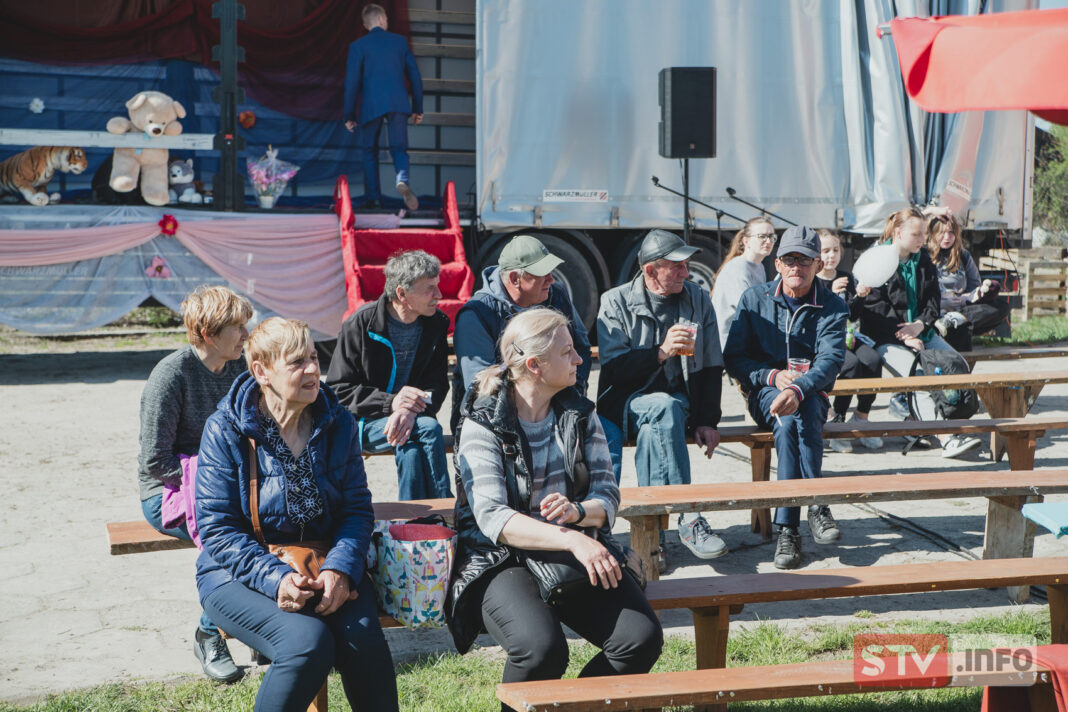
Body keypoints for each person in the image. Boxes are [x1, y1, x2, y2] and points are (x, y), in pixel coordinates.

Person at [447, 308, 663, 704]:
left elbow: (607, 495)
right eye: (568, 352)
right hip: (499, 558)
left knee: (640, 639)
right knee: (541, 649)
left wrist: (578, 514)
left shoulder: (580, 414)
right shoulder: (482, 421)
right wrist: (573, 539)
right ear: (534, 366)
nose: (581, 359)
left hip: (570, 548)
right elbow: (494, 518)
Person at [196, 318, 397, 712]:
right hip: (236, 573)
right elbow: (218, 531)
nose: (312, 369)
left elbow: (356, 510)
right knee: (307, 643)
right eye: (296, 362)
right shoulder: (225, 429)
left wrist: (340, 570)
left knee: (364, 642)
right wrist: (277, 579)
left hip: (323, 564)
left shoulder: (337, 422)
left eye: (312, 357)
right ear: (261, 371)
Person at [137, 284, 252, 683]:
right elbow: (155, 461)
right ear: (207, 333)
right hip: (168, 494)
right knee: (236, 536)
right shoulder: (171, 375)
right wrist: (209, 479)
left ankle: (262, 628)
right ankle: (209, 632)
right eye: (238, 328)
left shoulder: (239, 369)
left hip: (226, 487)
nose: (246, 335)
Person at [597, 229, 725, 567]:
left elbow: (712, 361)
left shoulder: (697, 298)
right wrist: (661, 352)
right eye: (677, 266)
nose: (686, 272)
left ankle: (654, 539)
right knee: (661, 409)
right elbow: (613, 370)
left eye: (686, 265)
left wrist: (708, 420)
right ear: (651, 270)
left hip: (678, 403)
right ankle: (687, 516)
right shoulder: (615, 301)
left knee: (662, 418)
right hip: (626, 400)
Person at [723, 225, 848, 570]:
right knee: (787, 416)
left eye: (804, 260)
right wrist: (773, 377)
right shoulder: (755, 299)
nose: (796, 267)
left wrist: (798, 386)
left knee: (795, 415)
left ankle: (788, 530)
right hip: (764, 391)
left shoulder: (833, 305)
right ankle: (816, 504)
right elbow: (734, 358)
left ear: (818, 264)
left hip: (810, 394)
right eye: (789, 259)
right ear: (776, 264)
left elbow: (831, 361)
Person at [451, 234, 623, 481]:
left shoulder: (556, 294)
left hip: (555, 408)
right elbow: (480, 384)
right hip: (499, 421)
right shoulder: (476, 314)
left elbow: (581, 348)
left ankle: (596, 512)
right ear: (514, 279)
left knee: (609, 434)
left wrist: (572, 394)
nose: (551, 279)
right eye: (542, 273)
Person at [855, 207, 982, 458]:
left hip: (921, 331)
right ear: (898, 233)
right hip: (887, 338)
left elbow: (933, 300)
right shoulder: (878, 258)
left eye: (924, 233)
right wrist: (904, 334)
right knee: (920, 377)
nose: (923, 239)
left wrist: (921, 325)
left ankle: (915, 424)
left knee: (958, 365)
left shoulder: (923, 259)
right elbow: (874, 309)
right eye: (917, 234)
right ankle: (946, 437)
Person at [326, 249, 452, 500]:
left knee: (413, 447)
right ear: (402, 294)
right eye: (429, 288)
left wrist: (408, 410)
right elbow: (337, 391)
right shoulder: (361, 324)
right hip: (362, 424)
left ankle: (413, 524)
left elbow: (438, 384)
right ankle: (445, 511)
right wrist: (391, 403)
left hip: (411, 420)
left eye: (437, 286)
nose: (438, 295)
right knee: (428, 428)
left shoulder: (436, 323)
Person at [342, 3, 423, 211]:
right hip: (398, 103)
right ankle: (402, 178)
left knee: (369, 151)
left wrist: (348, 114)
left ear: (365, 24)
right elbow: (414, 75)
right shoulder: (399, 42)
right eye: (386, 19)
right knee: (399, 148)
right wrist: (418, 107)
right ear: (380, 20)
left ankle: (373, 198)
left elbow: (351, 83)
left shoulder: (358, 46)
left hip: (371, 105)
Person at [815, 229, 884, 453]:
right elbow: (815, 317)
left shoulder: (846, 276)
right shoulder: (813, 280)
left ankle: (862, 417)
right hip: (822, 341)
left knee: (873, 360)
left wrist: (860, 298)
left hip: (848, 336)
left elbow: (852, 316)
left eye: (835, 250)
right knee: (851, 365)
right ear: (816, 254)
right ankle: (838, 424)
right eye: (825, 251)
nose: (831, 256)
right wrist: (831, 295)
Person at [926, 212, 1011, 352]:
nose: (947, 237)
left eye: (951, 233)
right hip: (933, 311)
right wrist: (940, 303)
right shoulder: (924, 255)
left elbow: (974, 288)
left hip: (960, 310)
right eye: (942, 233)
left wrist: (971, 296)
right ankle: (952, 321)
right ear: (933, 233)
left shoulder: (963, 255)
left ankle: (955, 318)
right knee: (960, 328)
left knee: (1002, 307)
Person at [711, 217, 775, 349]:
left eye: (771, 236)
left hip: (745, 340)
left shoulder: (759, 267)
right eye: (762, 236)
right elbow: (749, 310)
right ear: (746, 241)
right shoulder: (737, 268)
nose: (768, 241)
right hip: (729, 346)